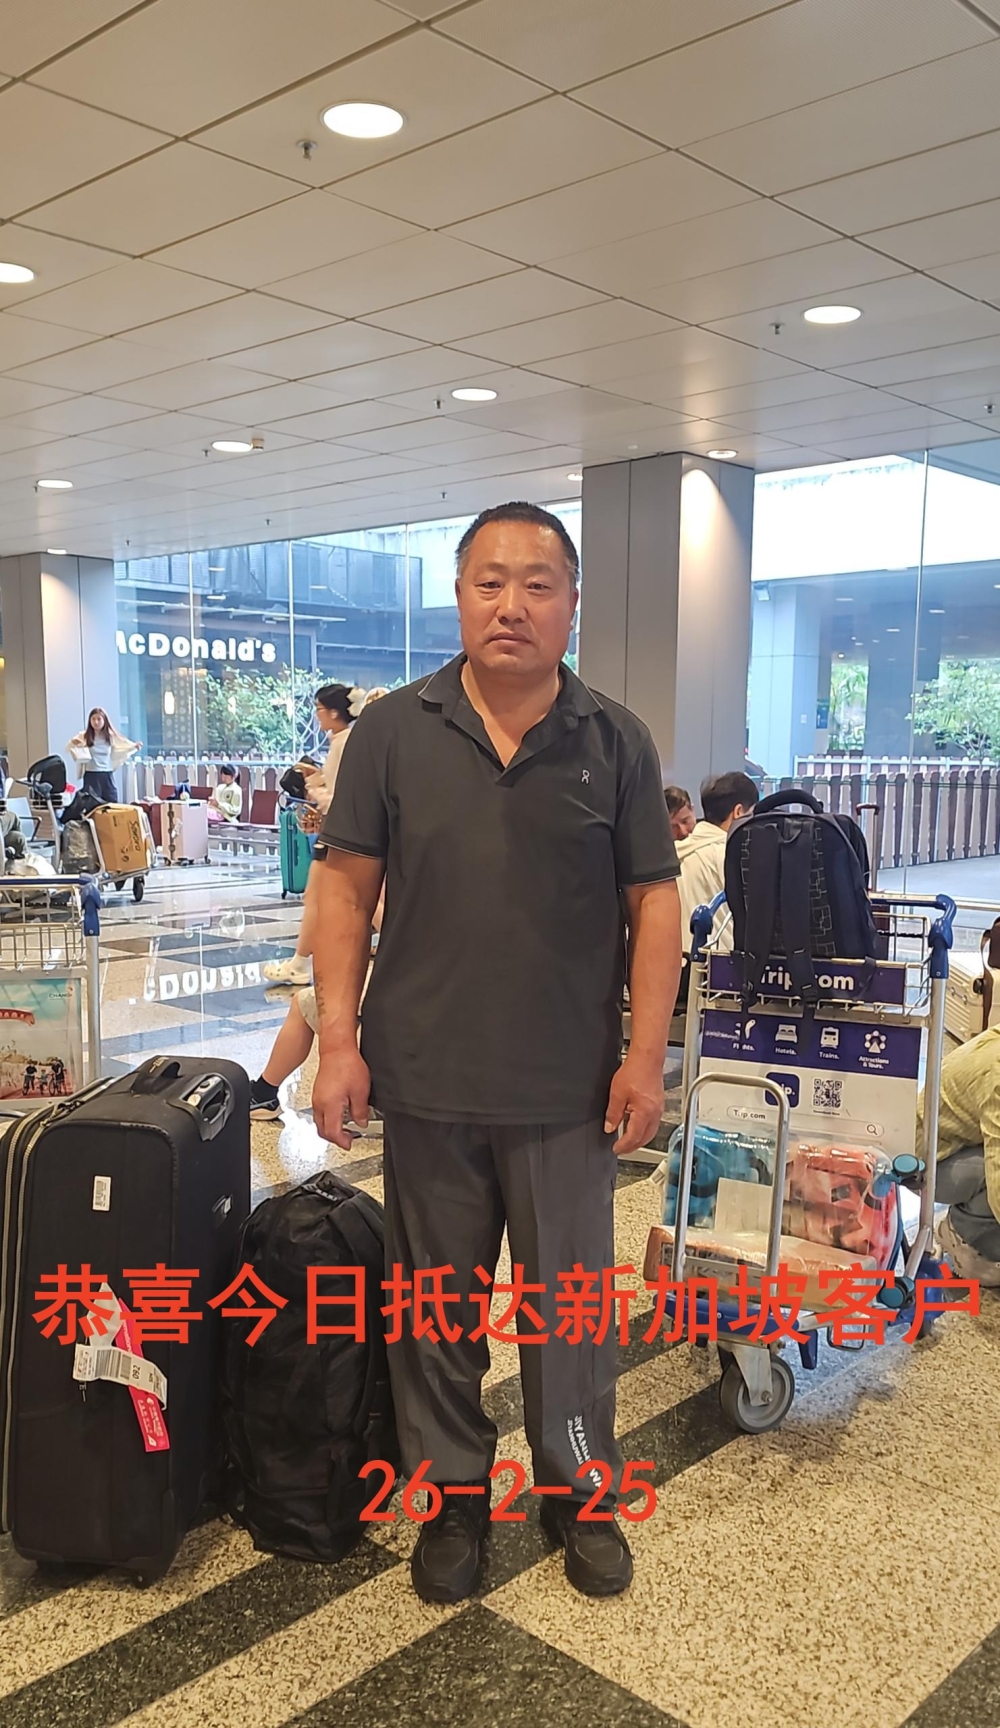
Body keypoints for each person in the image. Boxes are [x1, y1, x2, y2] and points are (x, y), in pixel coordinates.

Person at [310, 501, 682, 1604]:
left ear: (571, 603)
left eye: (536, 583)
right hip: (427, 1078)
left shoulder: (615, 739)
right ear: (460, 596)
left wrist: (644, 1057)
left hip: (568, 1087)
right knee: (435, 1310)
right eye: (488, 581)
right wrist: (336, 1042)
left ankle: (579, 1490)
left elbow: (653, 903)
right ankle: (452, 1498)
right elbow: (344, 890)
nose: (510, 604)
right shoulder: (392, 732)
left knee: (571, 1313)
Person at [263, 684, 365, 987]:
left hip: (340, 835)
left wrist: (313, 785)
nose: (317, 716)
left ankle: (300, 964)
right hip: (344, 833)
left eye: (319, 709)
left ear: (333, 712)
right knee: (318, 899)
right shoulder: (346, 742)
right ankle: (299, 963)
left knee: (328, 901)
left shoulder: (342, 744)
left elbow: (337, 797)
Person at [916, 1024, 1000, 1285]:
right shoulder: (997, 1074)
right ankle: (963, 1237)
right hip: (928, 1161)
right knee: (992, 1179)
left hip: (957, 1140)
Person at [676, 770, 760, 955]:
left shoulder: (676, 853)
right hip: (720, 965)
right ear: (738, 812)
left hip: (677, 961)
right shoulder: (731, 853)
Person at [66, 709, 139, 803]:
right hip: (91, 774)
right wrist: (73, 743)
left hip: (107, 774)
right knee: (92, 803)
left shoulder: (110, 736)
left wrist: (134, 746)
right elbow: (69, 747)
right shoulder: (84, 736)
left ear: (104, 720)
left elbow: (123, 746)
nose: (96, 722)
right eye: (93, 719)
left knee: (112, 801)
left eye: (99, 719)